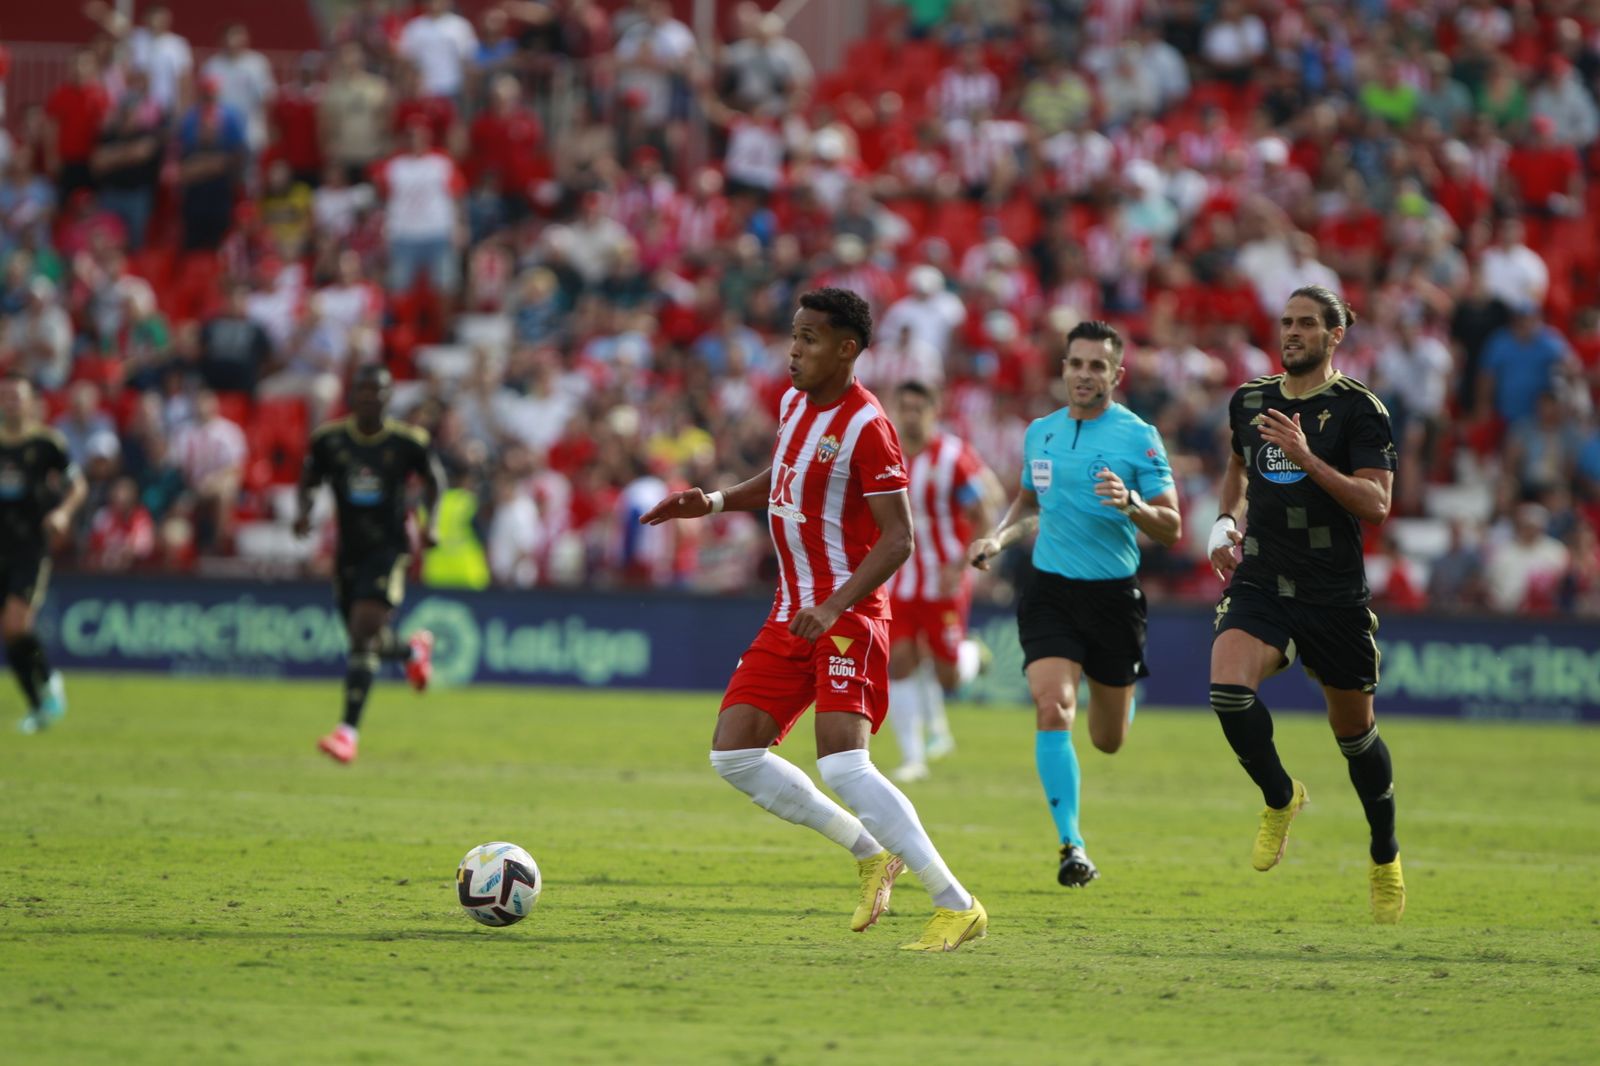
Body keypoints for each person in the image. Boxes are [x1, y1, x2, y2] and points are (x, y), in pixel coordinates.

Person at [639, 288, 987, 952]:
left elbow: (898, 540)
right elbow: (785, 476)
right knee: (734, 754)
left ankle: (956, 903)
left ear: (847, 348)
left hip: (846, 613)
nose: (794, 350)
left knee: (845, 766)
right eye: (794, 336)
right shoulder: (795, 403)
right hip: (792, 611)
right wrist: (712, 501)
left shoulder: (868, 426)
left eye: (809, 339)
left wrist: (834, 605)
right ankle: (868, 853)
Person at [1206, 285, 1406, 924]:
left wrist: (1306, 458)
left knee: (1354, 737)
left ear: (1334, 334)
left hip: (1334, 596)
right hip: (1263, 581)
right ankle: (1280, 795)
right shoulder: (1251, 400)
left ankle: (1384, 852)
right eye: (1285, 322)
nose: (1291, 332)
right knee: (1228, 691)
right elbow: (1238, 466)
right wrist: (1223, 520)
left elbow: (1376, 506)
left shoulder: (1359, 411)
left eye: (1305, 324)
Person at [966, 321, 1182, 887]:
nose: (1084, 374)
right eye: (1075, 363)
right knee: (1052, 707)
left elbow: (1173, 527)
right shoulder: (1040, 433)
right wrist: (997, 538)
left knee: (1108, 741)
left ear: (1116, 373)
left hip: (1113, 599)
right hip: (1049, 591)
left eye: (1096, 365)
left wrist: (1132, 502)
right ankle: (1072, 845)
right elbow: (1028, 503)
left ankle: (1119, 692)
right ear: (1063, 368)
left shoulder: (1139, 437)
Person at [293, 365, 445, 764]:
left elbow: (434, 481)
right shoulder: (330, 440)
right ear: (352, 395)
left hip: (389, 549)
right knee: (366, 641)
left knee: (363, 634)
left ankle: (347, 733)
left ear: (388, 397)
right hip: (349, 553)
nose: (368, 399)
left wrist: (432, 524)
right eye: (362, 391)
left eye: (376, 392)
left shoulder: (406, 442)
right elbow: (309, 478)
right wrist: (304, 512)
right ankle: (413, 652)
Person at [885, 380, 1003, 782]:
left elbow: (983, 513)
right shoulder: (887, 452)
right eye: (905, 407)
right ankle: (912, 757)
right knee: (898, 661)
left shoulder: (952, 456)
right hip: (899, 580)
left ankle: (973, 655)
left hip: (944, 580)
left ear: (934, 412)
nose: (912, 415)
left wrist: (965, 562)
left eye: (920, 408)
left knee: (947, 675)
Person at [0, 374, 87, 733]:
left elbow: (78, 485)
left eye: (17, 397)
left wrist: (63, 513)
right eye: (5, 396)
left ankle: (50, 682)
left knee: (16, 623)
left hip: (29, 549)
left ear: (31, 402)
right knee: (10, 634)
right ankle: (38, 707)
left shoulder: (47, 443)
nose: (11, 402)